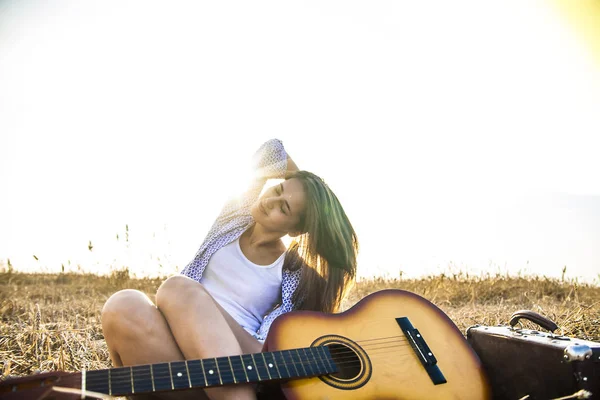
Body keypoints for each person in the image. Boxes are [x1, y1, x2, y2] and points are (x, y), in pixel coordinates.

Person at [101, 139, 359, 400]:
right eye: (278, 189)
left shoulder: (293, 274)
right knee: (124, 303)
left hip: (233, 366)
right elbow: (271, 151)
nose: (272, 200)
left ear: (295, 229)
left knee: (177, 288)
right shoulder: (232, 221)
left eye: (284, 207)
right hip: (176, 358)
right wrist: (304, 186)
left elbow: (264, 350)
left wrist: (309, 204)